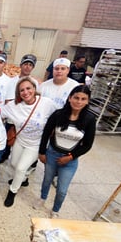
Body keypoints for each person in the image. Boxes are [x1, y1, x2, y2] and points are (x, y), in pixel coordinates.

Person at [36, 85, 96, 218]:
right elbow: (46, 133)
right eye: (76, 98)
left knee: (62, 190)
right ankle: (42, 198)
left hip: (70, 160)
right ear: (70, 98)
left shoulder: (90, 119)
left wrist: (71, 157)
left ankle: (56, 210)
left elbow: (87, 145)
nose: (79, 102)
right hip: (52, 155)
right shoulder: (58, 114)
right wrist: (42, 152)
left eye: (83, 99)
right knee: (47, 180)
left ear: (87, 101)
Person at [1, 77, 56, 207]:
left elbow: (58, 116)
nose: (25, 92)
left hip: (35, 145)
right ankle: (24, 179)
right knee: (13, 164)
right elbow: (0, 112)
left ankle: (12, 191)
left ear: (34, 89)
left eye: (28, 88)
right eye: (22, 90)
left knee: (20, 169)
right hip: (20, 141)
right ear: (18, 93)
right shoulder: (14, 106)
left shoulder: (46, 103)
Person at [39, 57, 79, 187]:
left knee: (61, 150)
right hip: (45, 124)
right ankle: (41, 170)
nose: (59, 71)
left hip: (65, 126)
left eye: (63, 69)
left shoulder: (75, 87)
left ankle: (56, 175)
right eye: (56, 69)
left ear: (68, 70)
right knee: (45, 149)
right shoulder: (44, 86)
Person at [1, 54, 40, 164]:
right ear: (21, 65)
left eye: (30, 65)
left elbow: (35, 101)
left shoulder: (35, 83)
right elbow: (8, 100)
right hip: (12, 117)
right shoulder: (11, 81)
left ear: (33, 67)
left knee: (23, 141)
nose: (27, 67)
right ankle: (5, 154)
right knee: (9, 138)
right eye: (25, 64)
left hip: (27, 118)